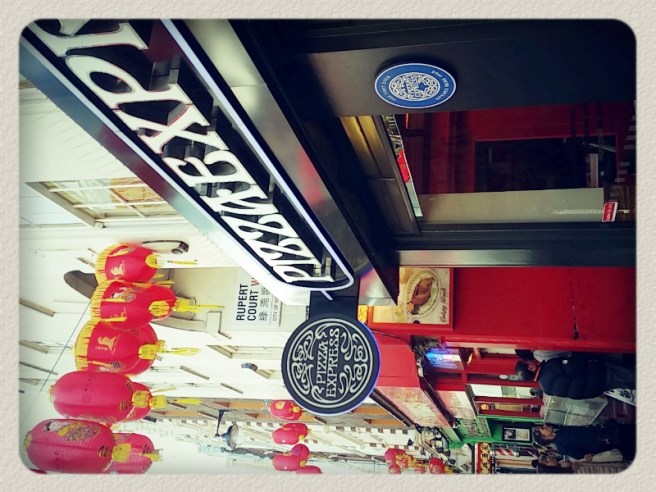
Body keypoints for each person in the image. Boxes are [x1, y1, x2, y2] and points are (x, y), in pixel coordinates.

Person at [515, 353, 635, 400]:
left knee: (629, 383)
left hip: (597, 387)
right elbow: (578, 364)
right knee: (631, 375)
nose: (530, 360)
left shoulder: (546, 389)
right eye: (527, 362)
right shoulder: (550, 367)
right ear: (529, 368)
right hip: (598, 374)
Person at [532, 421, 636, 462]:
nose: (545, 426)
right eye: (543, 428)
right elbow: (581, 456)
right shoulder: (561, 447)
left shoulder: (560, 430)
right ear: (544, 437)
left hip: (608, 430)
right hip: (610, 442)